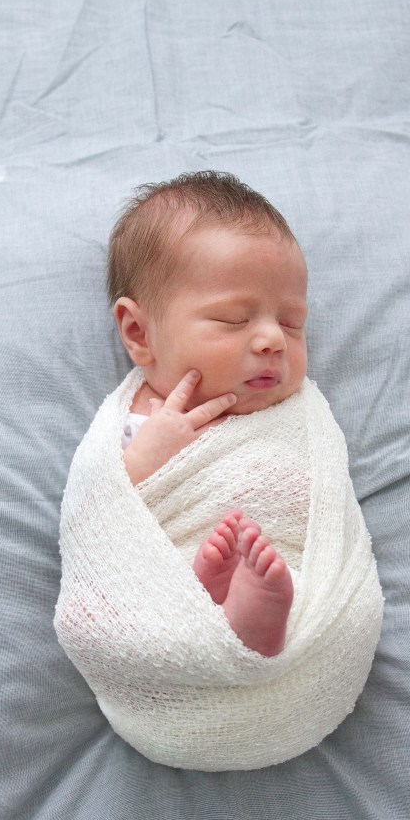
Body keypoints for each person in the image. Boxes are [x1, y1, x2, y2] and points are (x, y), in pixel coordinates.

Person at [109, 170, 308, 657]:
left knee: (279, 569)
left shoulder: (295, 414)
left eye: (292, 322)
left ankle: (253, 612)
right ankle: (213, 605)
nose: (273, 340)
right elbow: (99, 512)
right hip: (162, 582)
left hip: (284, 573)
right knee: (162, 594)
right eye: (233, 320)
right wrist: (145, 461)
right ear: (139, 333)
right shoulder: (136, 421)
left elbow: (319, 502)